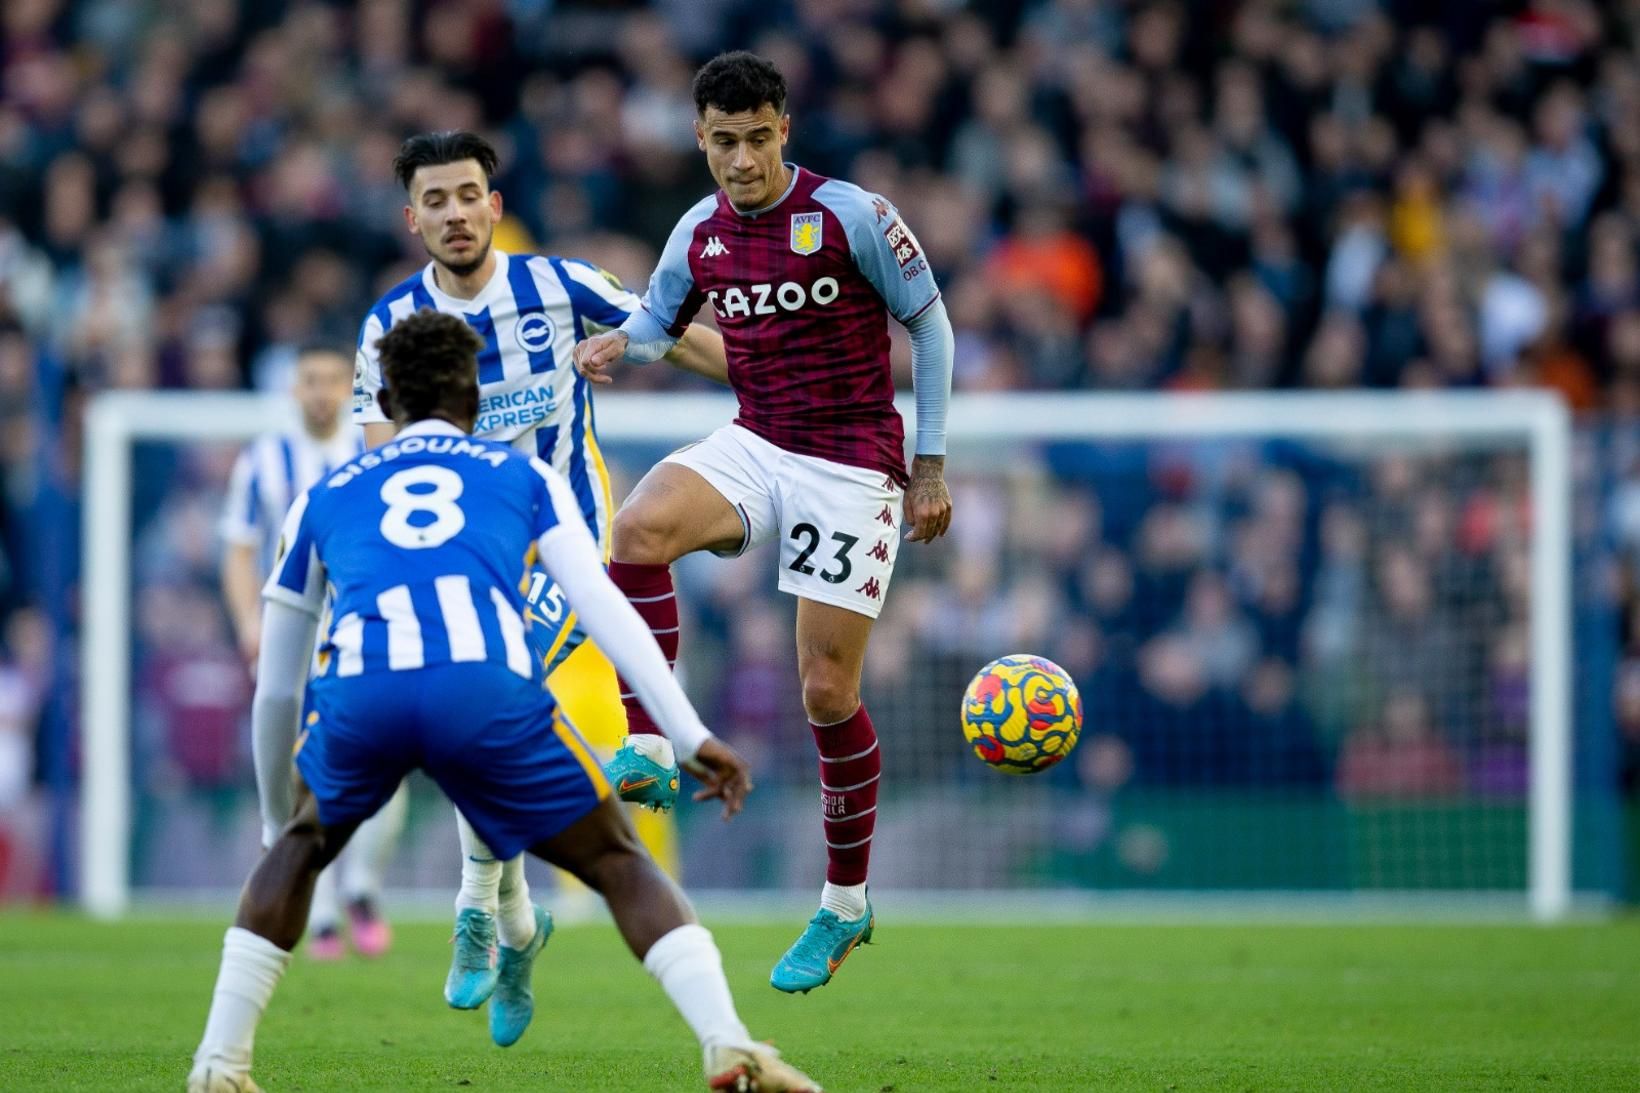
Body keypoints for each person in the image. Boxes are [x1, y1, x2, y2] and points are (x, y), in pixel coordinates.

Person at [187, 310, 818, 1093]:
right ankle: (727, 1042)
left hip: (366, 689)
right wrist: (685, 731)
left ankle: (219, 1063)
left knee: (299, 853)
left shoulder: (324, 493)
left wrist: (276, 815)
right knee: (619, 861)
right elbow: (606, 606)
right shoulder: (520, 476)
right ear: (477, 401)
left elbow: (278, 683)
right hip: (479, 689)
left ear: (383, 397)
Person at [574, 51, 955, 993]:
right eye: (721, 142)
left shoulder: (853, 215)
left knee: (826, 691)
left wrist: (931, 464)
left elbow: (933, 328)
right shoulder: (697, 232)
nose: (740, 161)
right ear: (700, 139)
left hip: (852, 464)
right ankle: (653, 741)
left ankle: (844, 903)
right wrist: (622, 342)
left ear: (783, 129)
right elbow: (664, 326)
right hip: (757, 440)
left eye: (755, 139)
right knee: (636, 531)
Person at [350, 131, 728, 1020]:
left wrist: (781, 391)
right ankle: (511, 919)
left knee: (488, 704)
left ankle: (480, 909)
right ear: (414, 218)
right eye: (433, 200)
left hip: (570, 538)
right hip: (466, 559)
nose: (453, 212)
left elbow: (669, 337)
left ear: (493, 202)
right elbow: (376, 457)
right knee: (480, 727)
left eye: (467, 194)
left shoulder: (558, 287)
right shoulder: (390, 325)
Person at [220, 345, 406, 961]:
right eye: (311, 380)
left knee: (391, 758)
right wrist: (251, 621)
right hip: (292, 630)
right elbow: (241, 551)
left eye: (335, 380)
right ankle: (321, 911)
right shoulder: (263, 461)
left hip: (360, 629)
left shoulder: (371, 454)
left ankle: (359, 888)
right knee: (304, 763)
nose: (323, 391)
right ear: (293, 389)